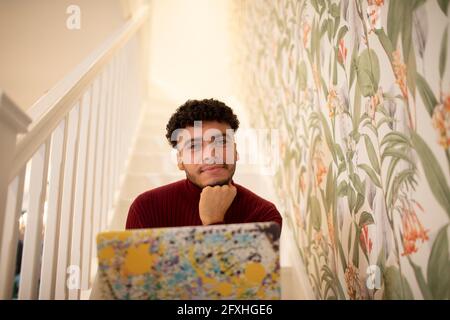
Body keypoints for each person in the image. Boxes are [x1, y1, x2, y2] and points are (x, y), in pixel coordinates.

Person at [125, 99, 282, 229]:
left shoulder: (264, 216)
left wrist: (213, 221)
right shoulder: (146, 208)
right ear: (180, 160)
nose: (210, 155)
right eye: (194, 146)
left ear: (235, 151)